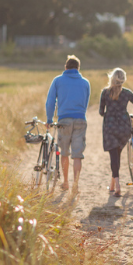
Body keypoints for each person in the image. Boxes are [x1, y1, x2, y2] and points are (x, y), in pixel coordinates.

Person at [99, 68, 133, 197]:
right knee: (117, 155)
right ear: (123, 79)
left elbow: (101, 112)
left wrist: (109, 114)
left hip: (110, 128)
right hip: (124, 127)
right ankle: (112, 186)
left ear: (111, 78)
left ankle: (117, 187)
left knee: (114, 157)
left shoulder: (105, 93)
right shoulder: (127, 93)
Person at [45, 55, 90, 193]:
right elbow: (85, 102)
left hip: (64, 120)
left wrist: (49, 119)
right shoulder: (85, 82)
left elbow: (50, 102)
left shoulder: (57, 80)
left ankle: (65, 182)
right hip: (80, 119)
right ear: (78, 68)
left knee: (64, 153)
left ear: (65, 67)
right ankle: (75, 185)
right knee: (77, 155)